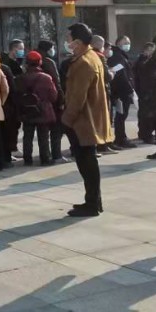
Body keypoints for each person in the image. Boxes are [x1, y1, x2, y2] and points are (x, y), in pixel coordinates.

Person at [61, 24, 112, 217]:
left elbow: (78, 97)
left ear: (78, 41)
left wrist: (67, 119)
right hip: (87, 118)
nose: (67, 42)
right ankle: (94, 201)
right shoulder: (91, 57)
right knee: (87, 161)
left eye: (69, 38)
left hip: (84, 120)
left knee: (87, 162)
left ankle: (92, 203)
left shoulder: (84, 62)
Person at [15, 51, 59, 165]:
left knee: (27, 136)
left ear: (27, 63)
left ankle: (27, 159)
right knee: (43, 136)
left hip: (27, 110)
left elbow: (17, 95)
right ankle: (45, 159)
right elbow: (53, 96)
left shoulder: (20, 78)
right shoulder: (46, 78)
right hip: (43, 110)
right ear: (40, 62)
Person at [108, 36, 136, 148]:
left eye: (128, 42)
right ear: (118, 43)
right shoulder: (117, 56)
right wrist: (129, 89)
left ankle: (121, 137)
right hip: (121, 90)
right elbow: (121, 74)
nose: (127, 45)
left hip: (121, 89)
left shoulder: (121, 55)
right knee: (121, 115)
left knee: (122, 115)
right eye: (125, 42)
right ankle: (120, 138)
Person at [133, 42, 156, 143]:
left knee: (144, 114)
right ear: (145, 50)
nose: (151, 52)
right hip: (145, 92)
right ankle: (147, 135)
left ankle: (144, 133)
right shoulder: (143, 61)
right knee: (147, 115)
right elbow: (144, 77)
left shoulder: (144, 61)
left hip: (145, 91)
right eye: (150, 50)